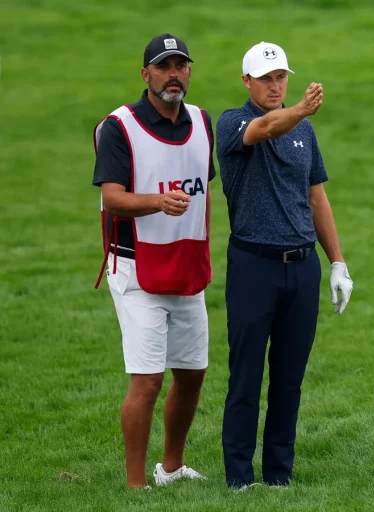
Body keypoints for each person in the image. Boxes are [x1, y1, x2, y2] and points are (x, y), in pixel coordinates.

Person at [216, 41, 354, 490]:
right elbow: (266, 128)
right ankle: (239, 477)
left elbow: (316, 197)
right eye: (266, 79)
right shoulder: (234, 123)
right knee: (246, 376)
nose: (275, 86)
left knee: (289, 379)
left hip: (301, 267)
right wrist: (299, 110)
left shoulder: (303, 133)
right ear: (247, 82)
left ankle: (279, 475)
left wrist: (337, 262)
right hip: (254, 266)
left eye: (281, 78)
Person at [92, 33, 216, 489]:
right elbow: (112, 199)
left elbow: (203, 190)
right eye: (164, 66)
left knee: (192, 373)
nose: (174, 74)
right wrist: (157, 203)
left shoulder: (202, 122)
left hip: (186, 267)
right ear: (146, 74)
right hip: (136, 268)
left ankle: (171, 467)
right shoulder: (119, 127)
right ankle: (135, 484)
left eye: (181, 65)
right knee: (147, 383)